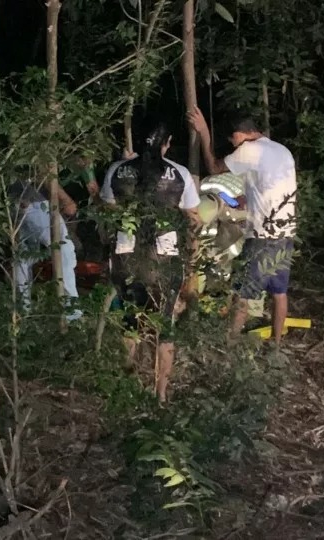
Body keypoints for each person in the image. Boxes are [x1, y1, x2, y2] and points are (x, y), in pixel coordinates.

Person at [101, 121, 201, 402]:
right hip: (164, 258)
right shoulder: (179, 173)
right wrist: (192, 262)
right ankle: (161, 395)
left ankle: (129, 388)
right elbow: (193, 221)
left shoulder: (117, 170)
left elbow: (107, 215)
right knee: (165, 325)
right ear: (166, 144)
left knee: (129, 323)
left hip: (126, 255)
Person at [187, 107, 298, 346]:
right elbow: (266, 189)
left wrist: (204, 132)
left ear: (241, 133)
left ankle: (231, 342)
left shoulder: (250, 150)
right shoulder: (281, 150)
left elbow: (214, 167)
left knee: (242, 292)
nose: (232, 143)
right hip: (285, 234)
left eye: (232, 138)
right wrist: (238, 202)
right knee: (279, 293)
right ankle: (277, 345)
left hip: (261, 235)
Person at [9, 179, 84, 322]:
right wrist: (65, 200)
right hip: (33, 203)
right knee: (64, 250)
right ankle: (72, 315)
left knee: (23, 257)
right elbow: (46, 170)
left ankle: (22, 313)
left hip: (16, 201)